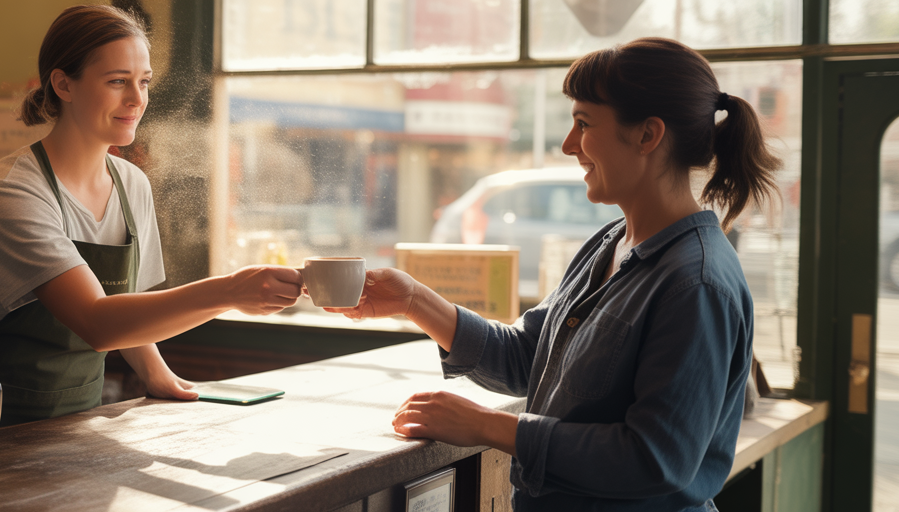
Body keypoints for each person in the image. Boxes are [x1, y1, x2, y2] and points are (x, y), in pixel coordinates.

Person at [328, 37, 778, 511]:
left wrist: (486, 425)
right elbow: (528, 357)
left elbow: (654, 459)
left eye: (583, 124)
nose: (568, 145)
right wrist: (414, 301)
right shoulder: (609, 243)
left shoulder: (696, 282)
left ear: (648, 135)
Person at [0, 6, 302, 426]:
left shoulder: (132, 184)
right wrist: (229, 291)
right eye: (117, 82)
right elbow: (98, 322)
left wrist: (157, 374)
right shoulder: (14, 192)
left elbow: (127, 311)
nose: (137, 100)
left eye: (144, 82)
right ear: (63, 84)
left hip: (77, 422)